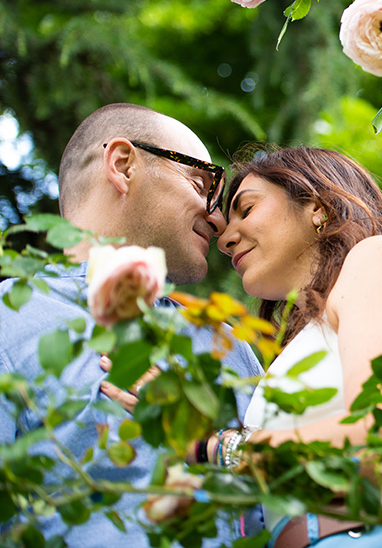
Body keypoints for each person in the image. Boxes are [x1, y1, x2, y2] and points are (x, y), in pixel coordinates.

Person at [0, 104, 265, 547]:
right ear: (123, 165)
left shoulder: (230, 344)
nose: (218, 220)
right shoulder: (9, 321)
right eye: (202, 183)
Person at [208, 146, 382, 548]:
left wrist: (220, 448)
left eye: (246, 209)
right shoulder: (308, 337)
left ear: (316, 205)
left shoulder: (381, 258)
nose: (225, 238)